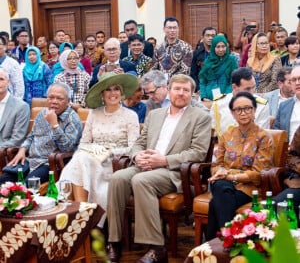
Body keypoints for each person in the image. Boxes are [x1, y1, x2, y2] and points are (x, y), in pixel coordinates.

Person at [106, 74, 212, 263]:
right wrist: (137, 155)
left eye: (185, 90)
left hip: (174, 172)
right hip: (146, 164)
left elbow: (197, 153)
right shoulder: (154, 115)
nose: (181, 93)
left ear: (192, 94)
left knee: (141, 181)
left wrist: (163, 160)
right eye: (177, 89)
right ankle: (115, 241)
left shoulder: (200, 117)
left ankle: (156, 248)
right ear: (169, 91)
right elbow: (139, 142)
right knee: (118, 178)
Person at [59, 73, 140, 227]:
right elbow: (84, 143)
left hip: (116, 164)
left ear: (122, 93)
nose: (112, 93)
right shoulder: (94, 114)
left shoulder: (130, 116)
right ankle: (82, 214)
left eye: (116, 89)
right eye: (108, 90)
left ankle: (80, 220)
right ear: (102, 94)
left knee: (80, 159)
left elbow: (133, 148)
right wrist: (94, 152)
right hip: (89, 161)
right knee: (80, 158)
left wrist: (107, 152)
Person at [207, 91, 273, 240]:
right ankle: (227, 238)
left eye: (248, 108)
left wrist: (229, 176)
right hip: (225, 183)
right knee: (221, 188)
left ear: (255, 110)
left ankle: (218, 241)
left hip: (250, 188)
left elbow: (258, 173)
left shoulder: (263, 137)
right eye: (238, 109)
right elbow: (217, 165)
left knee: (216, 199)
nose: (243, 113)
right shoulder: (227, 133)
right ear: (232, 113)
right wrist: (220, 173)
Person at [0, 82, 83, 184]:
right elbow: (31, 136)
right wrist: (22, 149)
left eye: (59, 98)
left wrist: (55, 125)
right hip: (30, 160)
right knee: (4, 181)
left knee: (28, 185)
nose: (54, 102)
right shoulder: (42, 114)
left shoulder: (72, 118)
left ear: (68, 101)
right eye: (51, 97)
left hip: (51, 163)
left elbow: (67, 148)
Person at [211, 67, 270, 137]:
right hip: (221, 146)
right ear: (234, 87)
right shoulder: (219, 103)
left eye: (253, 87)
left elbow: (261, 136)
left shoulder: (261, 106)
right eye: (247, 89)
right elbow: (211, 132)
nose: (252, 92)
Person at [142, 69, 209, 116]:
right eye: (147, 93)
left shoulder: (181, 96)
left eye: (152, 92)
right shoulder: (150, 103)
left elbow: (206, 113)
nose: (150, 96)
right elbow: (149, 125)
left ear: (163, 86)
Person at [199, 34, 238, 105]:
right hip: (208, 99)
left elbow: (233, 82)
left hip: (226, 100)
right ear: (213, 48)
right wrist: (203, 96)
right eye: (218, 47)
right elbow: (203, 81)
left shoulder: (231, 61)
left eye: (223, 46)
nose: (221, 49)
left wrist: (225, 96)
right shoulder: (208, 62)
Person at [151, 16, 193, 81]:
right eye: (169, 28)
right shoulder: (158, 48)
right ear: (164, 29)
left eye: (174, 28)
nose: (172, 30)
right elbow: (154, 68)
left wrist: (169, 81)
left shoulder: (186, 47)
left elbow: (185, 71)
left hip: (178, 83)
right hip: (160, 84)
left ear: (178, 29)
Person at [0, 68, 30, 147]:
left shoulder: (21, 107)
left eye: (1, 79)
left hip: (4, 153)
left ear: (8, 82)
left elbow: (17, 140)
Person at [273, 66, 300, 142]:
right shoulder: (284, 106)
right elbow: (277, 132)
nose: (297, 83)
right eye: (294, 80)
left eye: (299, 79)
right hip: (288, 151)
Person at [190, 27, 217, 92]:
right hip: (201, 88)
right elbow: (193, 74)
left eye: (213, 36)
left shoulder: (220, 53)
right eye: (208, 35)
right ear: (202, 37)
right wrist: (198, 88)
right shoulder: (196, 54)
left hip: (217, 87)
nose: (210, 38)